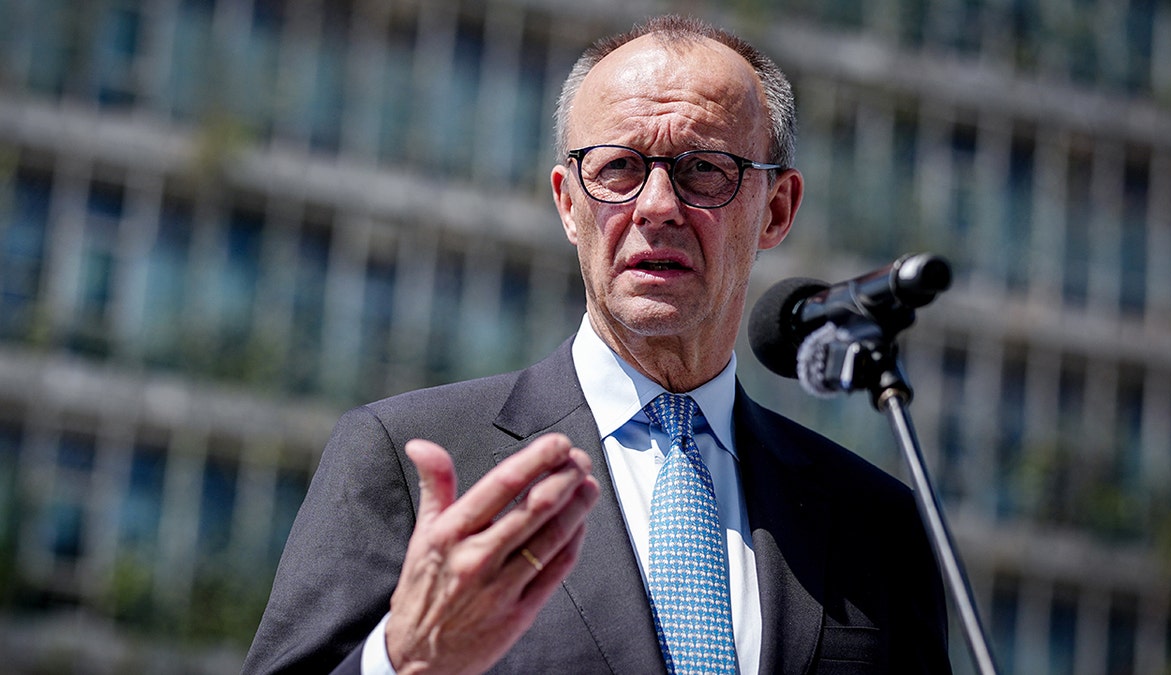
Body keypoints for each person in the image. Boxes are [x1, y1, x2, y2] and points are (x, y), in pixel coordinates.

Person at [243, 14, 950, 674]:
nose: (657, 206)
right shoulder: (408, 456)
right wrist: (404, 657)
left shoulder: (875, 521)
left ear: (778, 208)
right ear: (567, 203)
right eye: (618, 167)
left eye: (705, 168)